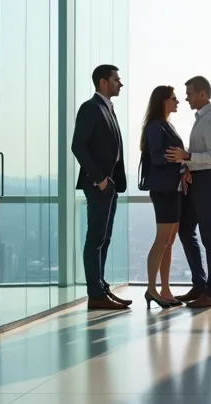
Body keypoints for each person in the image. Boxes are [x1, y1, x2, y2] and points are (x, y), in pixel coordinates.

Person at [165, 76, 211, 309]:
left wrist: (187, 156)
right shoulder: (201, 119)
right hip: (197, 181)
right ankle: (200, 285)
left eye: (190, 94)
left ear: (203, 94)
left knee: (210, 236)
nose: (186, 98)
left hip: (208, 182)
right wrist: (188, 166)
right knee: (186, 230)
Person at [72, 64, 131, 311]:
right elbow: (78, 146)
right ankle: (95, 294)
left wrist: (110, 182)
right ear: (103, 82)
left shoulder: (108, 108)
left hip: (110, 185)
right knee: (95, 238)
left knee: (104, 238)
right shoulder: (91, 108)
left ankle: (101, 287)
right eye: (116, 79)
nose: (121, 83)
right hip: (99, 184)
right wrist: (101, 179)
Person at [139, 85, 186, 309]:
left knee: (169, 241)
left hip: (174, 189)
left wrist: (183, 164)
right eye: (173, 98)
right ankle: (151, 289)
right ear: (163, 101)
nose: (177, 102)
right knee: (162, 239)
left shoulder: (166, 124)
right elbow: (157, 157)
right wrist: (178, 157)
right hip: (163, 190)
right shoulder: (155, 126)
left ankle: (165, 289)